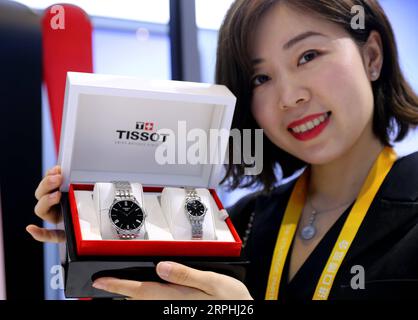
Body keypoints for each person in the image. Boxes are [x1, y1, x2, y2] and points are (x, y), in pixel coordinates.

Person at [28, 0, 418, 300]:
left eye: (308, 56)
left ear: (371, 56)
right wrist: (94, 232)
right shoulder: (240, 221)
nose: (289, 97)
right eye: (261, 78)